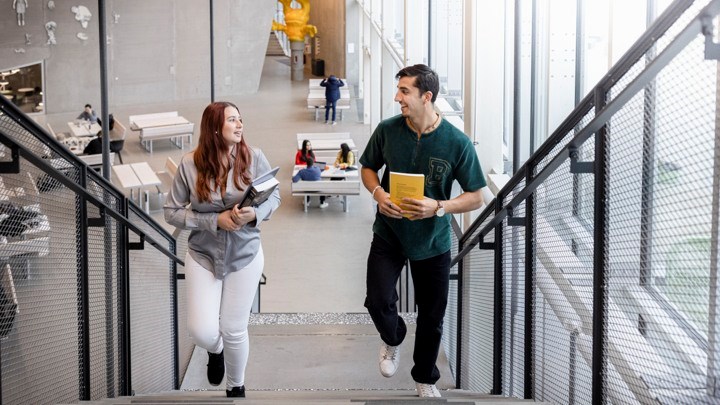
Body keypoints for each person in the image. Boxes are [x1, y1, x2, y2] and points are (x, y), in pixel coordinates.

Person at [359, 64, 486, 398]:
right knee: (377, 299)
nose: (397, 97)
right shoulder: (387, 130)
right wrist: (378, 193)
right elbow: (368, 167)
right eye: (398, 90)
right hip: (389, 231)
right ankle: (393, 337)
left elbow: (476, 196)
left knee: (432, 315)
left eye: (404, 91)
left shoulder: (457, 142)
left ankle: (425, 377)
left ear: (426, 96)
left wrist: (439, 206)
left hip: (433, 240)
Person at [164, 101, 281, 398]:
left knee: (234, 328)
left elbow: (274, 195)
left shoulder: (255, 158)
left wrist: (254, 214)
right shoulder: (189, 165)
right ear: (215, 127)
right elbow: (171, 212)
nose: (240, 125)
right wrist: (214, 220)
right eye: (232, 120)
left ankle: (236, 388)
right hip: (203, 255)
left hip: (245, 255)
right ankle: (215, 350)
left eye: (241, 119)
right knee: (201, 331)